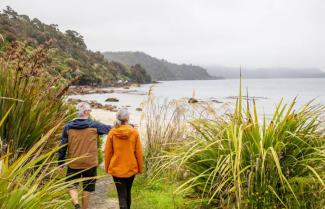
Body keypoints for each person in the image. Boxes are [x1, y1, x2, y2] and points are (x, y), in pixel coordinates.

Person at [58, 102, 111, 209]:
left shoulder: (68, 126)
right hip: (90, 163)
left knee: (71, 185)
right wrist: (127, 125)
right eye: (90, 110)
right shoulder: (94, 125)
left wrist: (61, 162)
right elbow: (110, 129)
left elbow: (62, 146)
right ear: (86, 112)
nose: (90, 112)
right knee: (87, 187)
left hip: (74, 163)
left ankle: (76, 204)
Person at [104, 108, 144, 209]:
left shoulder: (112, 132)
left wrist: (107, 167)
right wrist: (140, 168)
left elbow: (108, 152)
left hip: (116, 168)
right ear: (128, 118)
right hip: (131, 168)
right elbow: (138, 152)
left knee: (121, 194)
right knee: (128, 191)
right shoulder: (134, 132)